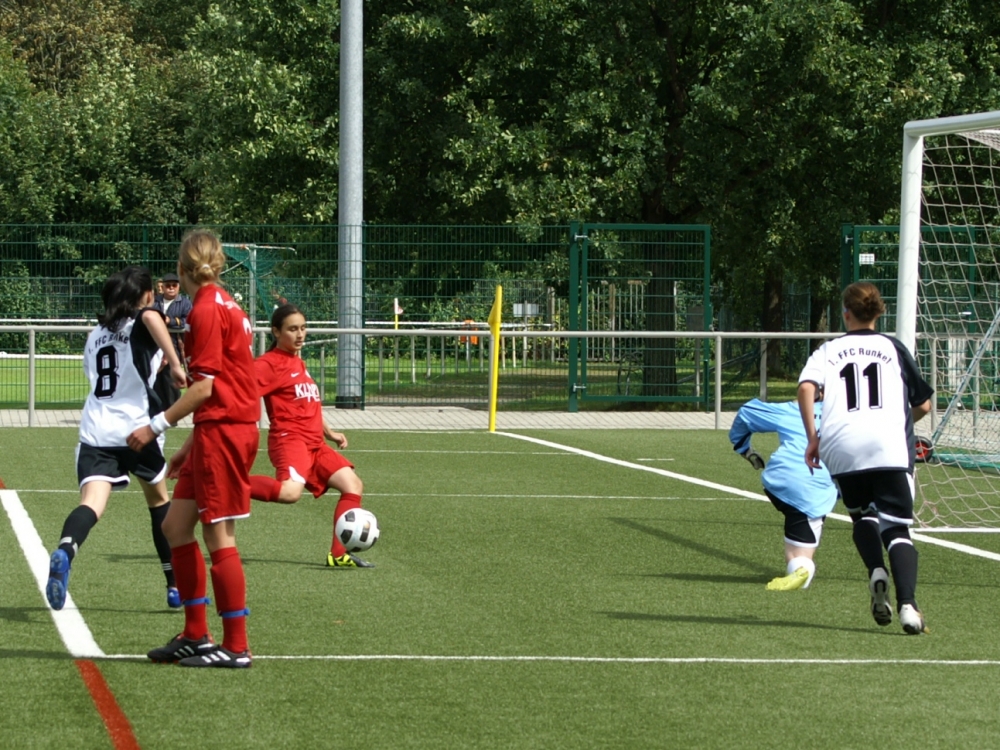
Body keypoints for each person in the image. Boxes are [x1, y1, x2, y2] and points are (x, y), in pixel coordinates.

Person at [127, 229, 260, 668]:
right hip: (217, 430)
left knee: (219, 536)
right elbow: (225, 384)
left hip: (226, 431)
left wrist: (155, 427)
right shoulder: (227, 302)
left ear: (181, 268)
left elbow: (205, 388)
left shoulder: (204, 308)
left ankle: (236, 646)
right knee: (175, 527)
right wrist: (189, 445)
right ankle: (196, 634)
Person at [45, 266, 188, 612]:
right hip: (137, 429)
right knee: (158, 502)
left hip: (96, 429)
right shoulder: (143, 321)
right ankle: (174, 585)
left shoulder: (95, 334)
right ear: (147, 295)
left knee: (92, 503)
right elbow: (151, 318)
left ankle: (66, 549)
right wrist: (173, 361)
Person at [798, 282, 934, 634]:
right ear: (878, 313)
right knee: (897, 528)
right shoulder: (893, 347)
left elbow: (806, 387)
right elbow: (923, 404)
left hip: (842, 445)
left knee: (862, 516)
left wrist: (813, 438)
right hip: (888, 446)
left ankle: (876, 570)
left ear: (846, 313)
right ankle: (908, 606)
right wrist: (900, 421)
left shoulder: (829, 349)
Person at [248, 303, 374, 568]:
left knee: (353, 485)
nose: (300, 334)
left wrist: (330, 432)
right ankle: (226, 483)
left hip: (315, 444)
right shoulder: (269, 364)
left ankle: (338, 555)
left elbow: (307, 404)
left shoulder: (297, 361)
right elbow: (240, 391)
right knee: (290, 493)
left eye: (303, 328)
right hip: (290, 440)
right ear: (276, 332)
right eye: (292, 329)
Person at [729, 397, 838, 591]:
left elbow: (746, 412)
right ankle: (801, 569)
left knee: (800, 515)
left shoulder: (793, 409)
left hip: (780, 478)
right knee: (801, 556)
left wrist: (744, 449)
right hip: (811, 487)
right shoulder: (846, 414)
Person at [151, 272, 193, 408]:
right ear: (162, 287)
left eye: (174, 285)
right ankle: (156, 411)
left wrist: (171, 321)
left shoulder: (185, 303)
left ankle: (172, 411)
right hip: (154, 346)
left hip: (174, 346)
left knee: (170, 381)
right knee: (155, 380)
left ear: (178, 287)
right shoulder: (154, 301)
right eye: (168, 285)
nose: (171, 288)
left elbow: (188, 321)